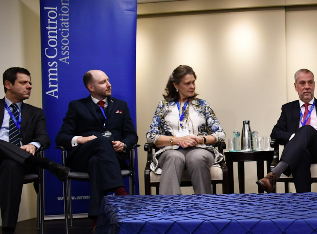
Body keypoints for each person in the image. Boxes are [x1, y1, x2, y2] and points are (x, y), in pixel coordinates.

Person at [55, 70, 138, 228]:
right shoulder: (77, 106)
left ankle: (97, 219)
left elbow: (131, 135)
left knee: (97, 162)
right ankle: (121, 191)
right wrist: (81, 139)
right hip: (83, 157)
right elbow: (61, 137)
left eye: (108, 80)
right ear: (90, 87)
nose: (109, 84)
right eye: (103, 82)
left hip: (113, 157)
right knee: (101, 141)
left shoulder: (121, 105)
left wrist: (124, 144)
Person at [0, 67, 70, 234]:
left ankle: (8, 229)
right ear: (8, 84)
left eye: (30, 83)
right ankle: (46, 163)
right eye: (24, 82)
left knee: (11, 164)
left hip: (21, 163)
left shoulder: (35, 112)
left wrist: (34, 145)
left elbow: (43, 138)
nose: (29, 86)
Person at [257, 68, 317, 193]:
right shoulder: (288, 109)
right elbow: (276, 132)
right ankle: (304, 203)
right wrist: (296, 136)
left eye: (310, 82)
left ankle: (275, 173)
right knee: (302, 153)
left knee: (307, 130)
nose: (307, 87)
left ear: (314, 85)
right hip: (301, 151)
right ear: (295, 86)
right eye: (302, 83)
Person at [146, 65, 225, 195]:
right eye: (187, 83)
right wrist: (177, 140)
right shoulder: (163, 106)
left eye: (193, 82)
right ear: (176, 85)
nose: (192, 86)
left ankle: (204, 206)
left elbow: (220, 134)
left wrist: (200, 139)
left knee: (197, 157)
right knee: (173, 157)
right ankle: (171, 207)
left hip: (200, 148)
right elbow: (151, 136)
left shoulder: (202, 105)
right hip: (171, 150)